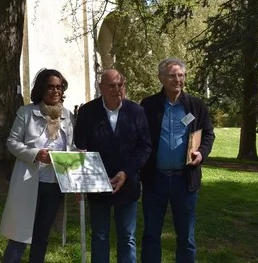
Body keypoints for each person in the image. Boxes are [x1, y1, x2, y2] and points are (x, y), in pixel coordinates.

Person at [140, 57, 215, 263]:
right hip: (155, 180)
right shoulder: (148, 105)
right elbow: (140, 137)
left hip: (185, 180)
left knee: (186, 237)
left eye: (180, 75)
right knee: (151, 234)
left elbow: (208, 134)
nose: (177, 80)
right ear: (161, 78)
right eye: (172, 75)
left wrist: (201, 152)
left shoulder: (195, 106)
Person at [74, 69, 152, 263]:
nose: (117, 89)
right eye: (111, 85)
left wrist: (126, 172)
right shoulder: (88, 112)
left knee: (127, 237)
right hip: (96, 183)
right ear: (101, 88)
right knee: (99, 235)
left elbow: (145, 146)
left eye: (120, 85)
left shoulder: (136, 111)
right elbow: (80, 146)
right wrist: (78, 182)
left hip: (127, 182)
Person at [0, 69, 75, 263]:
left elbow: (71, 146)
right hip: (29, 181)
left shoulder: (67, 115)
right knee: (20, 234)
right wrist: (36, 154)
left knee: (42, 235)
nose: (55, 91)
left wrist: (76, 154)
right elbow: (12, 142)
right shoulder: (26, 112)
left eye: (59, 87)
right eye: (50, 86)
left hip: (54, 183)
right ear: (41, 89)